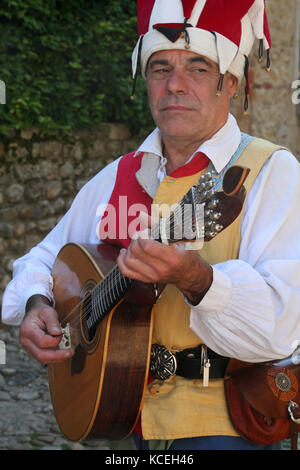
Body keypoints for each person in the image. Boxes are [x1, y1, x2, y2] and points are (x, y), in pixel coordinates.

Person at [2, 0, 300, 451]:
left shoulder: (269, 174)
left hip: (223, 427)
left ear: (231, 84)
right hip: (120, 419)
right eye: (160, 69)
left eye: (198, 68)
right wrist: (35, 304)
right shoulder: (116, 176)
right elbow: (41, 259)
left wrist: (196, 278)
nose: (174, 85)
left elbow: (282, 325)